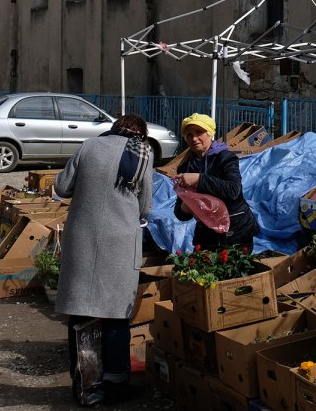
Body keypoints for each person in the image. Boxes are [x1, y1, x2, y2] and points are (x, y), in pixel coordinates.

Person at [54, 113, 153, 407]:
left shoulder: (89, 146)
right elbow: (145, 205)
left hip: (82, 240)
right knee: (115, 316)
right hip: (119, 243)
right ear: (141, 134)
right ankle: (116, 385)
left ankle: (86, 387)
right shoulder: (143, 153)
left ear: (114, 128)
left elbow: (62, 187)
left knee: (82, 313)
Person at [174, 113, 259, 250]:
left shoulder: (225, 158)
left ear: (210, 133)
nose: (194, 138)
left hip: (235, 232)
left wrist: (199, 180)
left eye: (199, 132)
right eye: (189, 134)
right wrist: (185, 207)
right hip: (206, 235)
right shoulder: (185, 167)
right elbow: (179, 213)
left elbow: (233, 190)